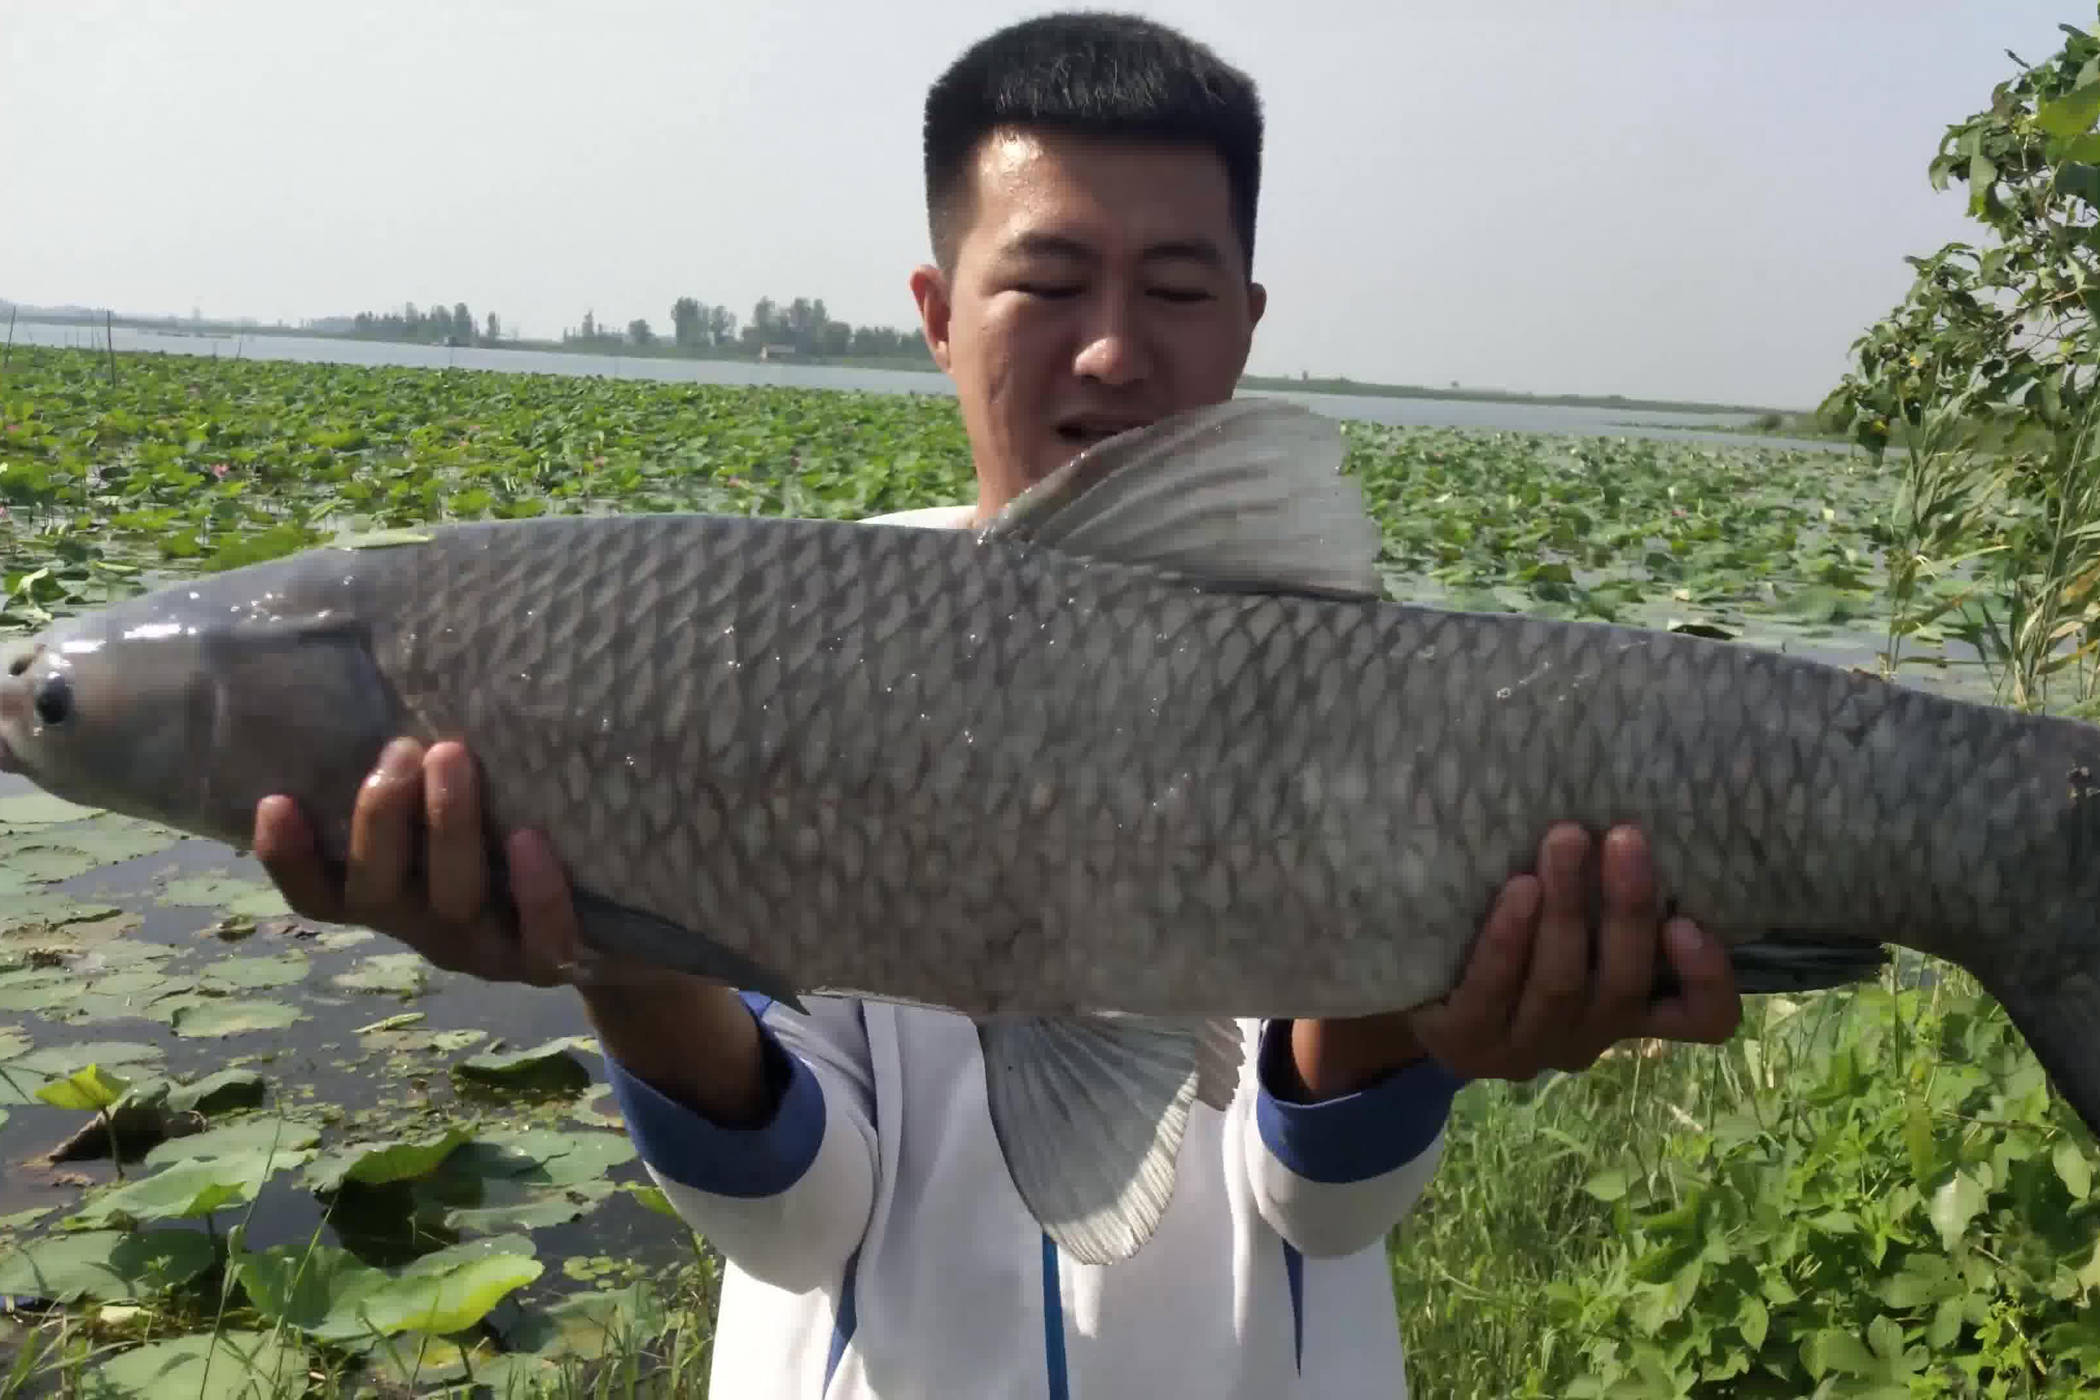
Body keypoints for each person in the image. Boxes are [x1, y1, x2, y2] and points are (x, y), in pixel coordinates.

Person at [252, 13, 1742, 1397]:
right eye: (1045, 282)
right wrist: (611, 951)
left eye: (1174, 290)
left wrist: (1410, 1027)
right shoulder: (753, 652)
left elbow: (1320, 1203)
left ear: (1245, 323)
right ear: (937, 311)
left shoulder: (1342, 679)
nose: (1110, 348)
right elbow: (800, 1224)